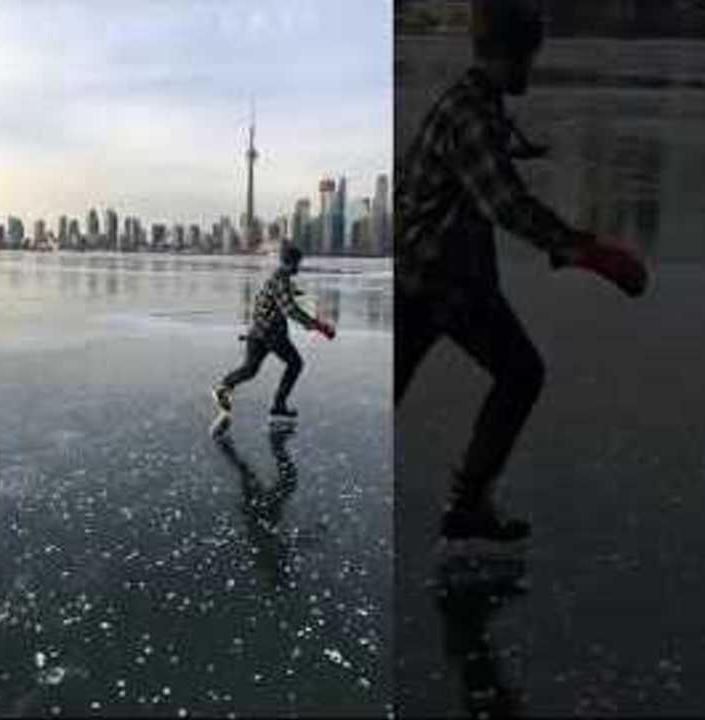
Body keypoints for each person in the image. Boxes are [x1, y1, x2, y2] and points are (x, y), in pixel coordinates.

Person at [394, 0, 646, 542]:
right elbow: (505, 205)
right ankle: (467, 505)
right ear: (508, 55)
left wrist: (521, 149)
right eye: (528, 59)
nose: (531, 70)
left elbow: (488, 146)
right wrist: (588, 251)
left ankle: (466, 504)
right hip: (442, 281)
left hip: (429, 274)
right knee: (520, 373)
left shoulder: (475, 101)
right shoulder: (472, 116)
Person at [212, 243, 335, 420]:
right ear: (290, 263)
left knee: (250, 369)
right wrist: (319, 326)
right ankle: (278, 404)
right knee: (295, 364)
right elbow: (290, 310)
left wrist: (304, 297)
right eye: (297, 263)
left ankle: (223, 387)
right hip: (271, 333)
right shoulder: (280, 280)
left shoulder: (278, 278)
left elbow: (287, 294)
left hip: (258, 331)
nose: (299, 267)